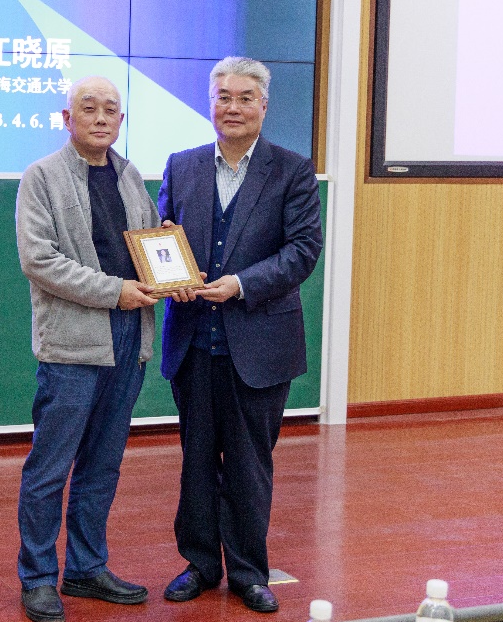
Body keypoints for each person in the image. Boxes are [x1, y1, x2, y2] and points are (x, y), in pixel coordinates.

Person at [156, 57, 324, 614]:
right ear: (210, 103)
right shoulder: (182, 166)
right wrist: (171, 275)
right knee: (197, 461)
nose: (233, 107)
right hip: (193, 342)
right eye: (223, 96)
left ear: (264, 106)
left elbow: (303, 251)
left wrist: (241, 285)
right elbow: (163, 237)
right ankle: (200, 564)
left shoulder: (292, 171)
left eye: (245, 98)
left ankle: (250, 573)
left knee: (250, 465)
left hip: (261, 346)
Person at [14, 76, 160, 622]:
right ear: (66, 118)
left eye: (110, 110)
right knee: (50, 467)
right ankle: (37, 578)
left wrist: (169, 261)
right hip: (73, 342)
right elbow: (39, 260)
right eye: (89, 108)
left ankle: (85, 567)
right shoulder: (42, 176)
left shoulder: (130, 176)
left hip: (130, 336)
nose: (100, 118)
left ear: (121, 121)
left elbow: (149, 244)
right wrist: (114, 291)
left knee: (103, 464)